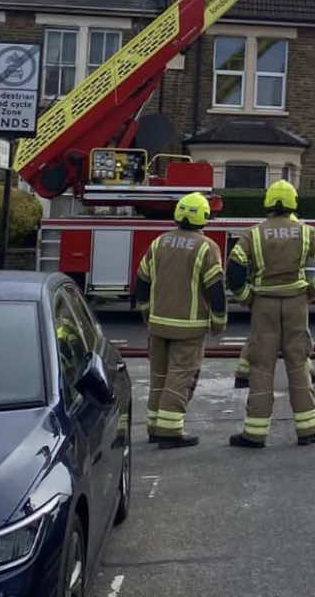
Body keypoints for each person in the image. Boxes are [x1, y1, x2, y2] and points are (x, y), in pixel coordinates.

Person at [226, 180, 315, 449]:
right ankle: (307, 430)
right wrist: (314, 291)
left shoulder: (253, 234)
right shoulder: (306, 232)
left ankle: (255, 433)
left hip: (264, 303)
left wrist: (246, 298)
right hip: (296, 302)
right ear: (292, 204)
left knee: (262, 368)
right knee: (298, 365)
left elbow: (235, 269)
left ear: (268, 203)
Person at [134, 191, 226, 449]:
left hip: (158, 323)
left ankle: (154, 426)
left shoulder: (159, 242)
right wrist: (219, 319)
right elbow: (215, 288)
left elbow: (141, 278)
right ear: (205, 217)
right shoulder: (207, 247)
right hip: (189, 327)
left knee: (159, 376)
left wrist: (145, 309)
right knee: (180, 376)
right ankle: (170, 431)